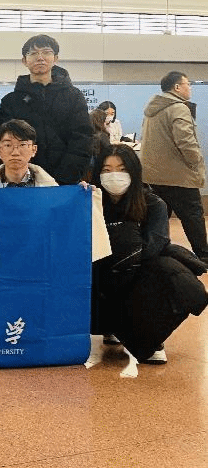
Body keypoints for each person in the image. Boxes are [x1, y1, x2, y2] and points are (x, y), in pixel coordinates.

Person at [90, 144, 170, 371]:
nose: (114, 175)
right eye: (106, 170)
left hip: (137, 270)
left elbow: (155, 244)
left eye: (122, 169)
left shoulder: (153, 204)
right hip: (100, 272)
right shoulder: (91, 201)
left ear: (134, 172)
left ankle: (149, 336)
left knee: (163, 268)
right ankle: (110, 325)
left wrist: (126, 259)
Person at [0, 34, 92, 184]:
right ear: (24, 61)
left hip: (66, 180)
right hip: (23, 180)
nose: (40, 58)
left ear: (56, 58)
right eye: (33, 53)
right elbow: (6, 143)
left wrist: (67, 176)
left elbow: (83, 138)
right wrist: (24, 175)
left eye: (46, 52)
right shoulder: (11, 101)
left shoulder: (74, 96)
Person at [140, 71, 208, 261]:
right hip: (178, 176)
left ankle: (153, 255)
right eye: (188, 84)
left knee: (158, 217)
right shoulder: (178, 108)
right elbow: (186, 141)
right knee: (193, 216)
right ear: (177, 87)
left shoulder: (153, 109)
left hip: (154, 175)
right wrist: (196, 162)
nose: (190, 88)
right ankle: (204, 256)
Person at [0, 119, 57, 189]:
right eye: (8, 145)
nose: (15, 153)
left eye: (22, 145)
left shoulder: (52, 190)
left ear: (34, 150)